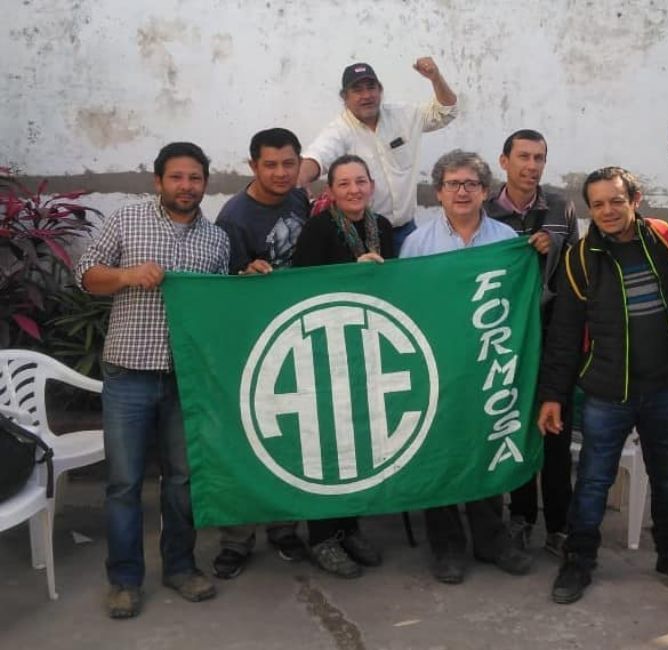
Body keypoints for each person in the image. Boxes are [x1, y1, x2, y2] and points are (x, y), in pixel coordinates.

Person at [537, 166, 668, 605]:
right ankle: (578, 560)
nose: (608, 211)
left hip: (666, 387)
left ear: (635, 199)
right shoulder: (580, 258)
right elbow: (564, 335)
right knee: (593, 481)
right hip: (607, 393)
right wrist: (553, 396)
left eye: (616, 201)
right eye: (597, 204)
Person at [74, 142, 229, 618]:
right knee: (124, 483)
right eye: (177, 177)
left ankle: (180, 567)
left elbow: (220, 305)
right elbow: (85, 275)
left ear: (205, 184)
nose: (187, 186)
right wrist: (126, 276)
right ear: (158, 180)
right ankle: (124, 580)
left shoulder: (216, 240)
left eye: (195, 178)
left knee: (181, 480)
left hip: (186, 380)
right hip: (129, 376)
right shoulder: (127, 220)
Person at [399, 149, 535, 584]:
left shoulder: (506, 241)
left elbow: (519, 299)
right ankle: (447, 546)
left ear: (485, 191)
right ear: (438, 192)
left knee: (486, 447)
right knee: (439, 452)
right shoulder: (418, 244)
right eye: (452, 184)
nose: (461, 192)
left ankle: (491, 539)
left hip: (488, 363)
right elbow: (406, 305)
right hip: (437, 365)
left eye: (470, 184)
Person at [212, 127, 311, 579]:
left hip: (297, 336)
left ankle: (284, 528)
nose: (280, 173)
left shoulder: (300, 200)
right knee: (246, 441)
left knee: (290, 437)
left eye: (289, 163)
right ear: (253, 166)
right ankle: (236, 540)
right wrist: (244, 276)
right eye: (270, 165)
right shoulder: (234, 217)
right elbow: (225, 286)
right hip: (250, 341)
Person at [288, 155, 390, 579]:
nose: (354, 190)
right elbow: (301, 286)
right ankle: (322, 536)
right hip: (324, 348)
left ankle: (349, 527)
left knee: (359, 441)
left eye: (360, 181)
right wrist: (352, 273)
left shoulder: (382, 228)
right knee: (326, 443)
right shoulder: (318, 229)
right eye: (344, 183)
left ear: (371, 185)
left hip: (367, 347)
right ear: (330, 191)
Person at [484, 128, 579, 557]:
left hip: (554, 333)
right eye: (523, 157)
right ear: (504, 162)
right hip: (506, 335)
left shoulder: (560, 206)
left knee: (555, 429)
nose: (532, 166)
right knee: (516, 425)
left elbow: (577, 266)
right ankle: (521, 517)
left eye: (539, 158)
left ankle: (560, 524)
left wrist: (554, 245)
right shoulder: (485, 209)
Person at [299, 58, 458, 251]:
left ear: (380, 90)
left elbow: (445, 112)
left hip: (407, 231)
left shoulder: (403, 115)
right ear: (345, 97)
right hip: (364, 235)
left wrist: (435, 78)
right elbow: (317, 157)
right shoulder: (339, 131)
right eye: (357, 90)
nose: (366, 95)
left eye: (371, 87)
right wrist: (296, 181)